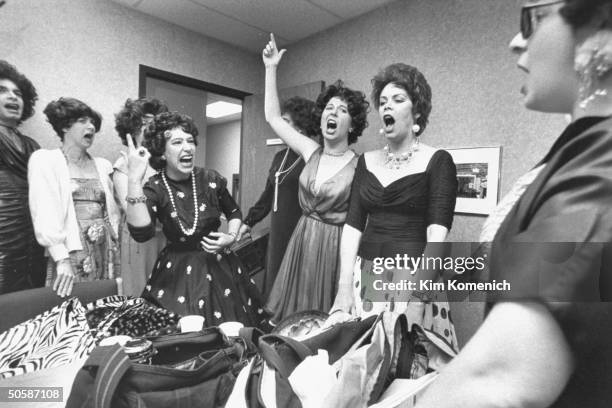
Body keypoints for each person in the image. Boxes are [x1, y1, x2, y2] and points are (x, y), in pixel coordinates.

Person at [415, 1, 612, 407]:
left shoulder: (601, 168)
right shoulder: (582, 151)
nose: (515, 41)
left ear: (597, 22)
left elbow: (496, 384)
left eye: (532, 18)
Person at [328, 63, 459, 351]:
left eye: (398, 100)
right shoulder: (365, 161)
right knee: (360, 367)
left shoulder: (439, 161)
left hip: (413, 280)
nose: (388, 106)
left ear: (417, 112)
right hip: (366, 279)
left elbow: (437, 238)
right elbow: (352, 226)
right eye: (383, 102)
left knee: (406, 369)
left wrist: (417, 299)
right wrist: (344, 286)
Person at [261, 34, 370, 323]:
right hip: (301, 243)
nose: (332, 113)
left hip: (334, 250)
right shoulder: (311, 152)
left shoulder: (361, 167)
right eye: (329, 109)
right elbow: (273, 117)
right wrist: (271, 68)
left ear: (352, 124)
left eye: (342, 110)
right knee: (292, 324)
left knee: (323, 326)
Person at [126, 111, 264, 326]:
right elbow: (142, 232)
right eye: (177, 142)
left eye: (190, 141)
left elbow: (234, 212)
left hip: (221, 265)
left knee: (234, 331)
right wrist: (134, 179)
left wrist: (232, 236)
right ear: (162, 152)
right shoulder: (156, 187)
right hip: (176, 273)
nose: (187, 147)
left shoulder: (210, 179)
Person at [28, 97, 120, 298]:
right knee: (71, 311)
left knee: (104, 307)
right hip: (71, 252)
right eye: (83, 121)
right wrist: (61, 259)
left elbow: (114, 212)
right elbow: (43, 213)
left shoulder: (103, 165)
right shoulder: (46, 161)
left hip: (105, 251)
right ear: (64, 126)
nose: (91, 127)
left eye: (93, 123)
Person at [237, 96, 318, 299]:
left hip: (300, 230)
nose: (279, 127)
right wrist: (248, 222)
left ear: (299, 128)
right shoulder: (279, 157)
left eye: (286, 122)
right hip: (278, 230)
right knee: (274, 284)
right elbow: (267, 196)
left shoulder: (313, 157)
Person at [113, 97, 168, 296]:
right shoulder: (123, 165)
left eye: (152, 124)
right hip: (141, 243)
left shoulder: (164, 164)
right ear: (131, 129)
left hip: (166, 240)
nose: (147, 129)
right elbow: (133, 212)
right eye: (142, 124)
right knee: (141, 296)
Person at [0, 60, 45, 294]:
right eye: (3, 90)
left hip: (32, 235)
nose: (13, 97)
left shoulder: (32, 145)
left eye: (18, 93)